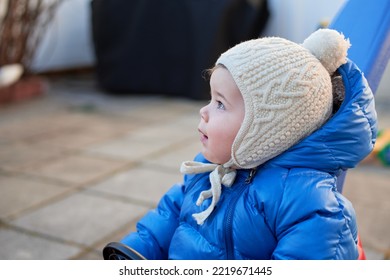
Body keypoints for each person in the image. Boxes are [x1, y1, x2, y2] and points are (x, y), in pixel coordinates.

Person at [118, 28, 377, 259]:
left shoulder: (308, 204)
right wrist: (142, 248)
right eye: (210, 99)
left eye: (220, 103)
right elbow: (172, 212)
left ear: (267, 130)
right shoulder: (210, 168)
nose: (203, 112)